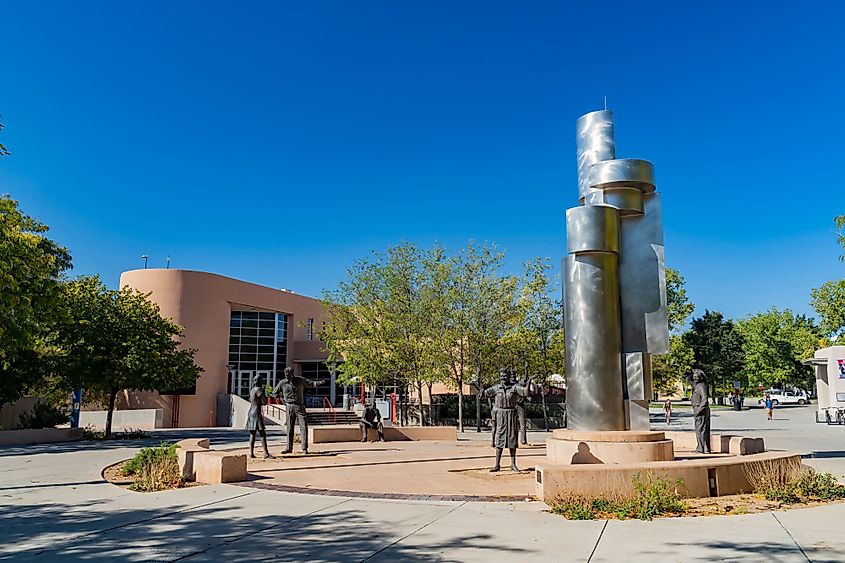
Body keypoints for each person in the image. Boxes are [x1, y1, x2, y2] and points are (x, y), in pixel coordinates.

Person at [483, 368, 532, 472]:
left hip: (511, 415)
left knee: (512, 439)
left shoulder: (514, 387)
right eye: (501, 376)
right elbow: (485, 393)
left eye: (505, 376)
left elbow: (525, 392)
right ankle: (497, 464)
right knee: (499, 439)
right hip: (500, 415)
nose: (503, 378)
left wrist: (529, 381)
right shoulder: (496, 388)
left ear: (509, 376)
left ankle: (513, 464)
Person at [272, 366, 325, 454]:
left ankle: (304, 448)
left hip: (299, 406)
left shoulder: (300, 380)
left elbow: (311, 383)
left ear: (292, 374)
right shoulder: (282, 383)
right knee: (289, 428)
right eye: (286, 375)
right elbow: (274, 393)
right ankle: (289, 448)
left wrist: (319, 383)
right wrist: (282, 401)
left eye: (288, 375)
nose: (287, 376)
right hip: (289, 406)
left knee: (303, 427)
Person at [246, 374, 271, 459]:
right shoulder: (259, 390)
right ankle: (266, 453)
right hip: (256, 413)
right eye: (261, 380)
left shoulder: (252, 390)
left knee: (252, 434)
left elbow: (250, 399)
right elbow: (264, 401)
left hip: (250, 412)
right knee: (262, 433)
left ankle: (251, 453)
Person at [690, 369, 711, 454]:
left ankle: (702, 448)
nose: (695, 379)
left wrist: (698, 410)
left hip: (700, 410)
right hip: (699, 409)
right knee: (701, 429)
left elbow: (704, 398)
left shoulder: (700, 386)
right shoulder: (699, 386)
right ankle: (702, 447)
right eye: (694, 377)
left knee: (701, 429)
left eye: (696, 377)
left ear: (701, 378)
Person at [514, 372, 530, 445]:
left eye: (514, 375)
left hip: (521, 406)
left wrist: (526, 370)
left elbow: (525, 379)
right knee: (513, 426)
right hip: (513, 406)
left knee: (523, 425)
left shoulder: (519, 384)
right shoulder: (510, 386)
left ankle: (523, 441)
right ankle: (513, 441)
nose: (513, 377)